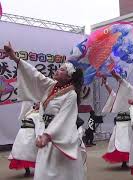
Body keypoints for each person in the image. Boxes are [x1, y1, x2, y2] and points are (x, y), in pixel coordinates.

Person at [4, 42, 85, 180]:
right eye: (59, 68)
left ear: (68, 77)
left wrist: (48, 135)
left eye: (62, 70)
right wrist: (14, 58)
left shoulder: (71, 94)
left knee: (59, 174)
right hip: (45, 136)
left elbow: (64, 118)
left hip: (59, 138)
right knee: (44, 173)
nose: (57, 70)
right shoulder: (51, 86)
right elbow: (35, 75)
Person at [101, 77, 133, 168]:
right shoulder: (118, 98)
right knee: (117, 143)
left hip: (128, 124)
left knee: (127, 143)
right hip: (119, 124)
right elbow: (112, 94)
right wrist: (106, 83)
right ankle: (123, 161)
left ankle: (128, 161)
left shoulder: (132, 97)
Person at [8, 102, 40, 177]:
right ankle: (27, 170)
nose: (36, 104)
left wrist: (38, 136)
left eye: (38, 103)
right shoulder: (29, 111)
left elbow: (39, 126)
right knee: (21, 152)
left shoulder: (39, 114)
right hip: (22, 134)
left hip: (31, 134)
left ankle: (39, 170)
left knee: (32, 153)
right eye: (35, 103)